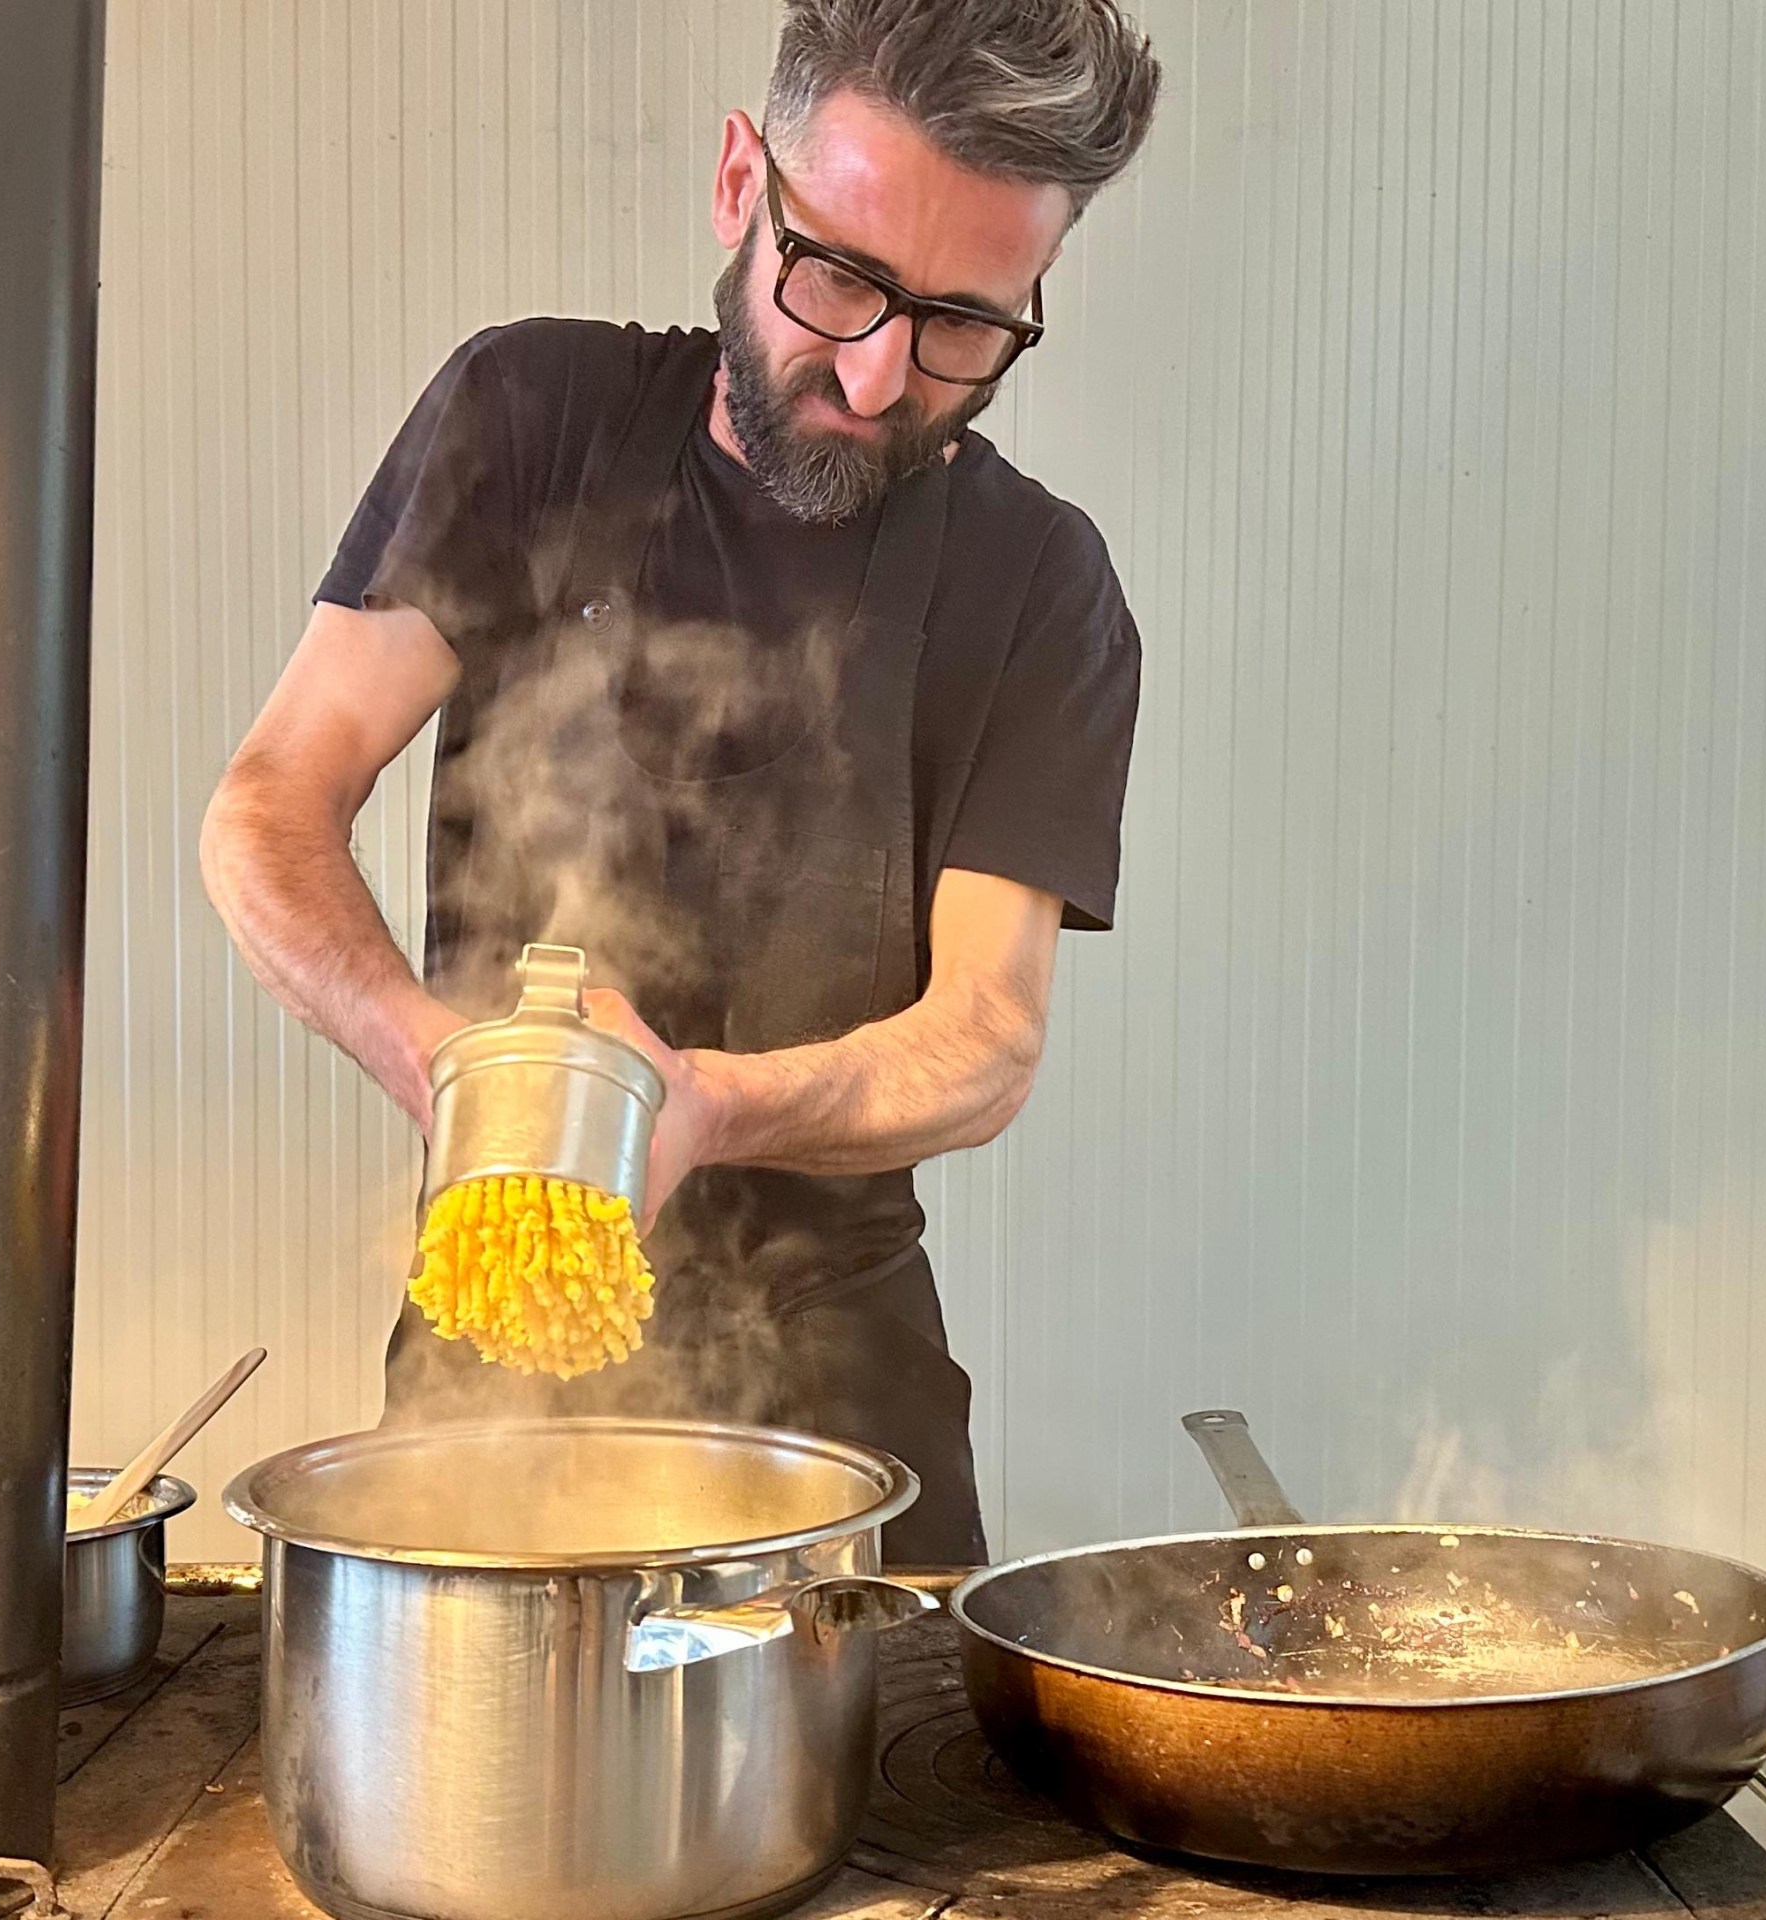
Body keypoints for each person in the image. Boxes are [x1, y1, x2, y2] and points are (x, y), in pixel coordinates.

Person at [201, 0, 1159, 1563]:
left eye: (964, 328)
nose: (872, 373)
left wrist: (703, 1107)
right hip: (497, 1337)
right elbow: (270, 806)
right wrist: (459, 1072)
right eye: (837, 275)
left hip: (847, 1384)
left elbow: (985, 1038)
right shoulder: (533, 418)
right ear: (740, 185)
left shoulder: (1039, 583)